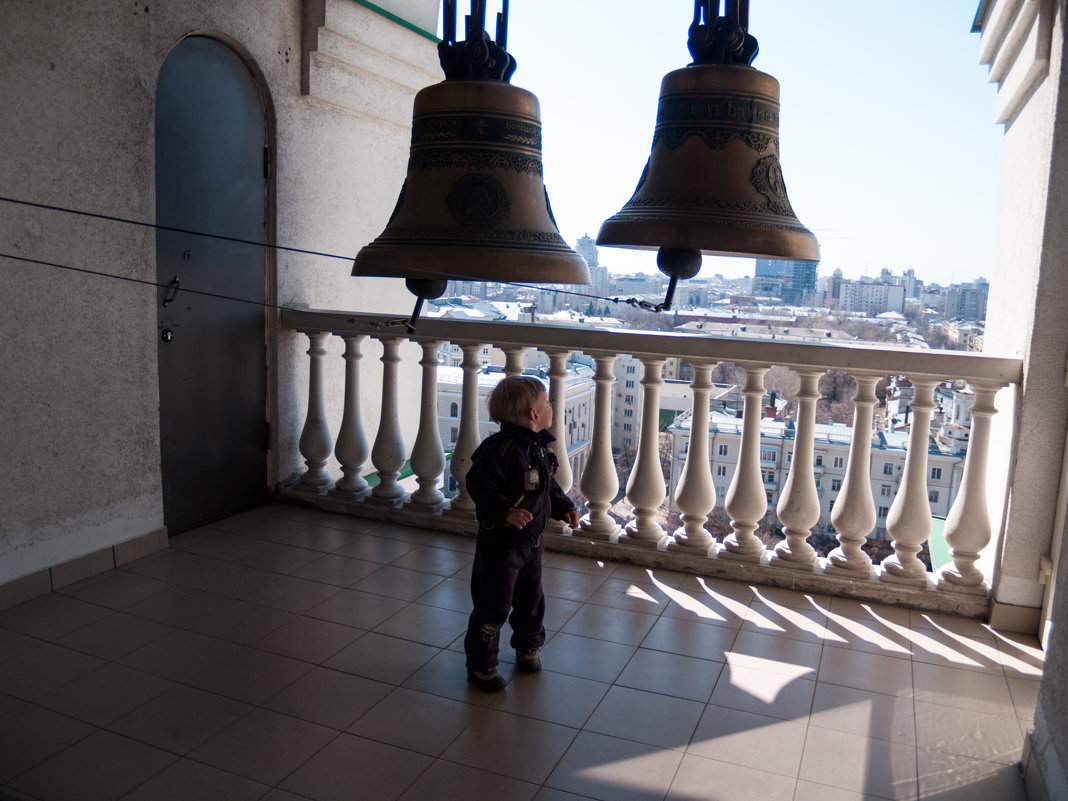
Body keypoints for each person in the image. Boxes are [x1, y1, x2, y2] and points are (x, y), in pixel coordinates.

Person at [463, 375, 580, 691]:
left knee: (531, 599)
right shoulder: (498, 450)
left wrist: (564, 506)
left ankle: (528, 645)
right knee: (494, 605)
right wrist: (505, 510)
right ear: (534, 414)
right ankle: (482, 662)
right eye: (547, 403)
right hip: (501, 545)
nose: (552, 408)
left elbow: (547, 487)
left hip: (531, 543)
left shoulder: (538, 448)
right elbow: (478, 484)